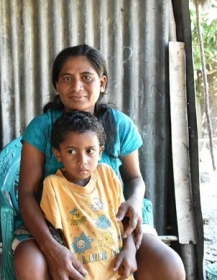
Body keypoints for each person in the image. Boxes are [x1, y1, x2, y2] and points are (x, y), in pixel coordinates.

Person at [14, 44, 186, 280]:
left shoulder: (119, 125)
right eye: (67, 78)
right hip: (54, 223)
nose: (77, 87)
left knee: (170, 266)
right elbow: (26, 194)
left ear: (102, 83)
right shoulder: (42, 128)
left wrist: (134, 202)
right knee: (29, 263)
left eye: (87, 78)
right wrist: (51, 248)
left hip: (113, 222)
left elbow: (134, 179)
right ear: (56, 85)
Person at [40, 111, 136, 280]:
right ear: (58, 154)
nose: (82, 160)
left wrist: (130, 249)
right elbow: (54, 233)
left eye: (90, 151)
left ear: (100, 152)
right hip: (81, 274)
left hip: (119, 272)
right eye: (71, 152)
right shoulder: (54, 185)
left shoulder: (107, 174)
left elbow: (123, 219)